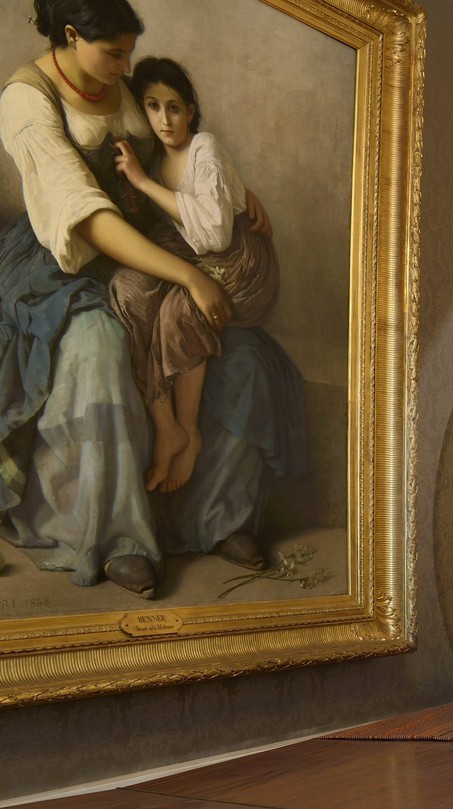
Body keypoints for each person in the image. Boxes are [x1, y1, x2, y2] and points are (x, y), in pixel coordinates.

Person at [0, 0, 306, 597]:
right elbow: (85, 219)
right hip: (65, 263)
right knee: (101, 346)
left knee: (241, 355)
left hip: (153, 246)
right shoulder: (27, 100)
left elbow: (180, 154)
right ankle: (115, 535)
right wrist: (191, 277)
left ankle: (217, 516)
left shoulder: (122, 79)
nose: (126, 65)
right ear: (70, 36)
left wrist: (238, 193)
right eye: (115, 52)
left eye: (130, 52)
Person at [108, 56, 279, 494]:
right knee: (126, 288)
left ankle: (189, 431)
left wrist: (145, 184)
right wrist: (143, 180)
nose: (164, 119)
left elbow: (214, 235)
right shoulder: (150, 155)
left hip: (239, 263)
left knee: (178, 308)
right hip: (194, 252)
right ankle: (167, 428)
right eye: (152, 106)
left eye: (174, 107)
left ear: (191, 111)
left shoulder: (204, 147)